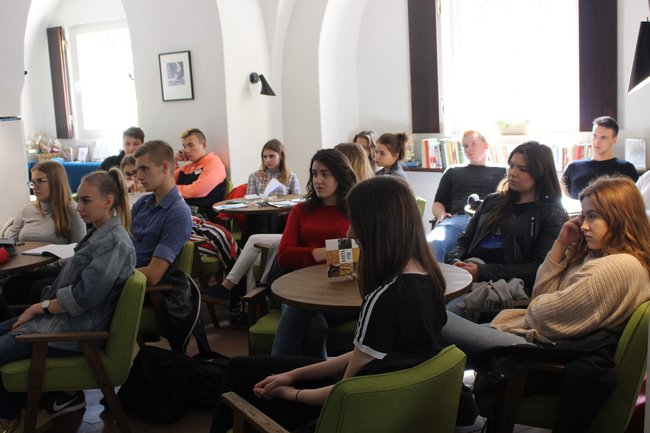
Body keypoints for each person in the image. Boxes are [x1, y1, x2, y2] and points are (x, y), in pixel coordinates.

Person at [210, 176, 447, 433]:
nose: (349, 233)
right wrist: (294, 375)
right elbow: (365, 354)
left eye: (355, 221)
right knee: (242, 368)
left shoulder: (384, 298)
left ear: (375, 226)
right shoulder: (431, 280)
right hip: (388, 400)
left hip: (352, 412)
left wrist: (291, 393)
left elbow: (343, 391)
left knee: (245, 383)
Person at [441, 176, 650, 433]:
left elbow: (541, 314)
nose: (584, 225)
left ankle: (456, 403)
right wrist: (561, 243)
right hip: (542, 343)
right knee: (441, 321)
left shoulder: (616, 268)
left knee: (436, 321)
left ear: (620, 217)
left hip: (538, 353)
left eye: (593, 216)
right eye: (583, 215)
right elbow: (541, 295)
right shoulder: (601, 257)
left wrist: (540, 304)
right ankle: (459, 400)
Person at [0, 168, 136, 429]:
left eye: (86, 201)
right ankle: (28, 406)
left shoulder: (112, 243)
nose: (79, 207)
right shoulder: (99, 233)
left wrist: (38, 308)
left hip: (71, 333)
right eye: (79, 199)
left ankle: (13, 416)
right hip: (62, 325)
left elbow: (84, 297)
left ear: (108, 201)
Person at [445, 142, 566, 309]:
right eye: (511, 165)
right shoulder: (492, 201)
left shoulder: (552, 213)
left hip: (504, 286)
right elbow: (465, 239)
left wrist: (481, 272)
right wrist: (455, 261)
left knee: (447, 312)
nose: (513, 173)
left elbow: (538, 267)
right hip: (467, 271)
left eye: (523, 169)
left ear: (540, 173)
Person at [271, 149, 358, 359]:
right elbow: (284, 255)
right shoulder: (300, 211)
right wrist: (320, 253)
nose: (318, 180)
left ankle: (273, 371)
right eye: (314, 174)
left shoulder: (355, 211)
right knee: (313, 323)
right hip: (301, 289)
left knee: (299, 308)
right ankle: (317, 375)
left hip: (342, 292)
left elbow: (362, 255)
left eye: (325, 174)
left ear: (340, 176)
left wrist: (317, 255)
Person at [1, 161, 87, 310]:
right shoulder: (26, 210)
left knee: (23, 287)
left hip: (56, 270)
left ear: (56, 181)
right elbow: (9, 243)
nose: (35, 186)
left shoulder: (72, 210)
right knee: (10, 286)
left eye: (40, 181)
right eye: (33, 182)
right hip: (23, 269)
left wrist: (45, 268)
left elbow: (79, 253)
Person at [427, 131, 506, 262]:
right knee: (432, 244)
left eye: (473, 144)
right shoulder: (453, 171)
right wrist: (441, 214)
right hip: (459, 219)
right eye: (465, 146)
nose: (469, 149)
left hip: (490, 220)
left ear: (486, 145)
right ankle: (438, 275)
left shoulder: (503, 171)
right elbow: (438, 203)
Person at [133, 140, 193, 286]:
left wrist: (110, 275)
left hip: (134, 287)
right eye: (137, 170)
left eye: (144, 169)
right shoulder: (142, 204)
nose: (139, 177)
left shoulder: (178, 213)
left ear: (165, 166)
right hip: (123, 274)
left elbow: (153, 274)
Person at [562, 116, 639, 198]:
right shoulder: (574, 167)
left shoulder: (626, 168)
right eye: (594, 136)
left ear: (614, 140)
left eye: (603, 138)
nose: (596, 142)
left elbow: (635, 200)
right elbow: (559, 196)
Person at [174, 128, 227, 221]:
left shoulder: (214, 163)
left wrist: (172, 190)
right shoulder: (186, 168)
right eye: (184, 147)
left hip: (201, 214)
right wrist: (175, 160)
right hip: (182, 209)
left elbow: (198, 190)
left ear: (203, 145)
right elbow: (165, 182)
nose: (187, 150)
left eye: (190, 145)